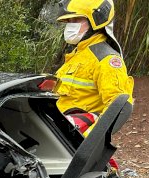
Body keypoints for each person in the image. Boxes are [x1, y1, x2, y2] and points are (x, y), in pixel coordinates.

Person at [55, 0, 134, 134]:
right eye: (69, 21)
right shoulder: (78, 54)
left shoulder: (106, 59)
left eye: (77, 19)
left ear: (95, 21)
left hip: (72, 138)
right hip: (56, 131)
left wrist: (86, 143)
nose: (70, 25)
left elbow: (118, 108)